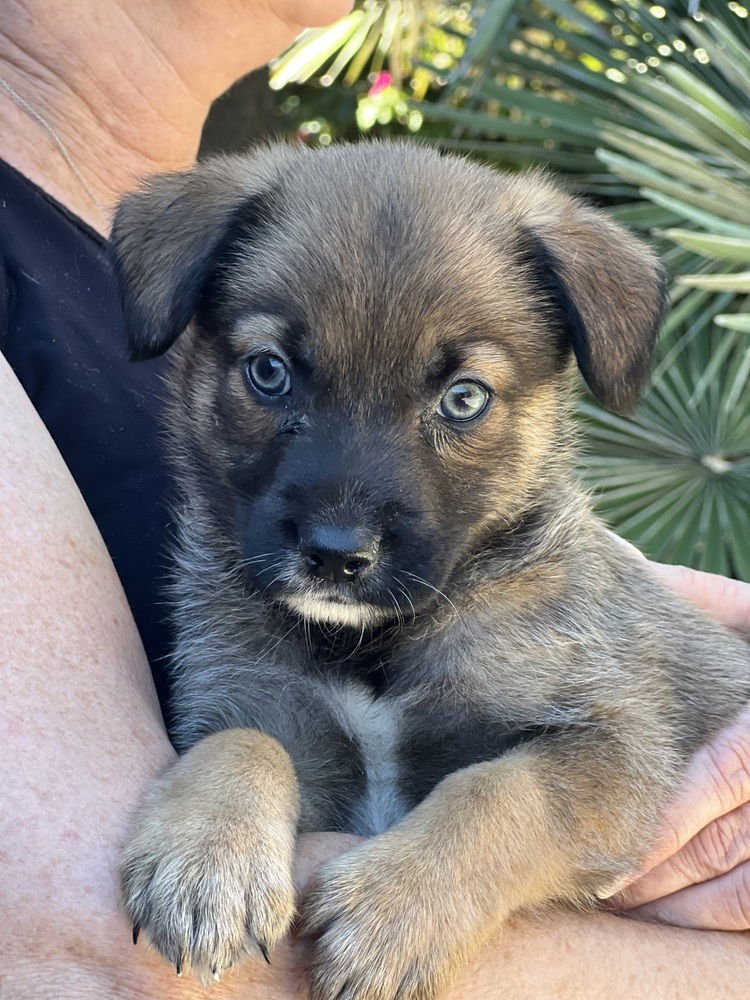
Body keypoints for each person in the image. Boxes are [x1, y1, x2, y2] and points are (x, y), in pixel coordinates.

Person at [0, 4, 748, 998]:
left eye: (463, 400)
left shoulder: (543, 593)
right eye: (271, 376)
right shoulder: (192, 240)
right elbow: (101, 951)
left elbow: (607, 768)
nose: (341, 526)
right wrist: (235, 774)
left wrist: (467, 858)